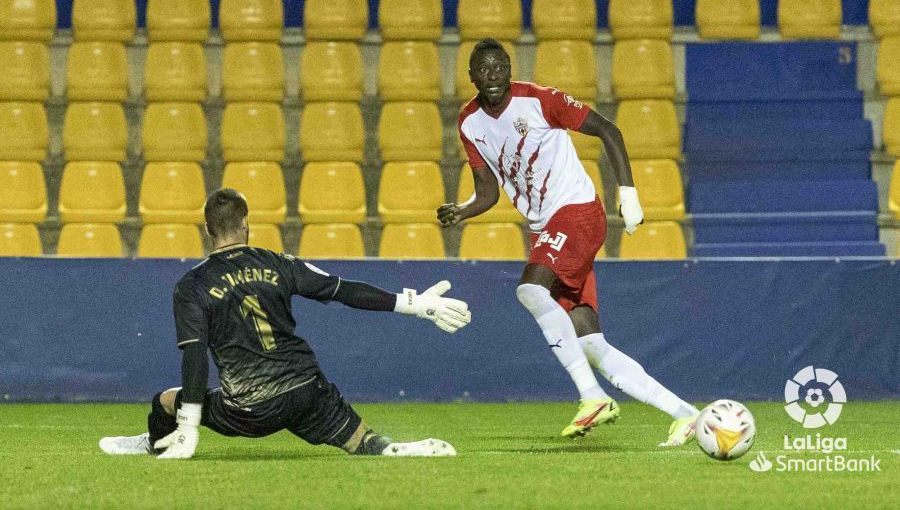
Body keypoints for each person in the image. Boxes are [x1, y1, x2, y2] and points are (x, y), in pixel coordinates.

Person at [438, 38, 698, 445]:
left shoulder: (539, 100)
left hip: (576, 211)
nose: (492, 76)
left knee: (529, 289)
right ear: (471, 76)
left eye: (499, 67)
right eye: (483, 70)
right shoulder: (469, 122)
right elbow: (488, 190)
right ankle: (688, 416)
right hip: (547, 228)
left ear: (510, 69)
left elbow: (608, 130)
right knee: (591, 343)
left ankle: (593, 397)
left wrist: (627, 195)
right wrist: (462, 210)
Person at [101, 188, 470, 459]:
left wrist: (190, 422)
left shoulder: (191, 285)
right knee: (364, 443)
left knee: (164, 400)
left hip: (249, 408)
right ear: (246, 225)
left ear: (208, 229)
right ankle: (389, 449)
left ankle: (156, 442)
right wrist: (414, 303)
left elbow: (194, 357)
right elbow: (343, 291)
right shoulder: (279, 263)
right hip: (305, 390)